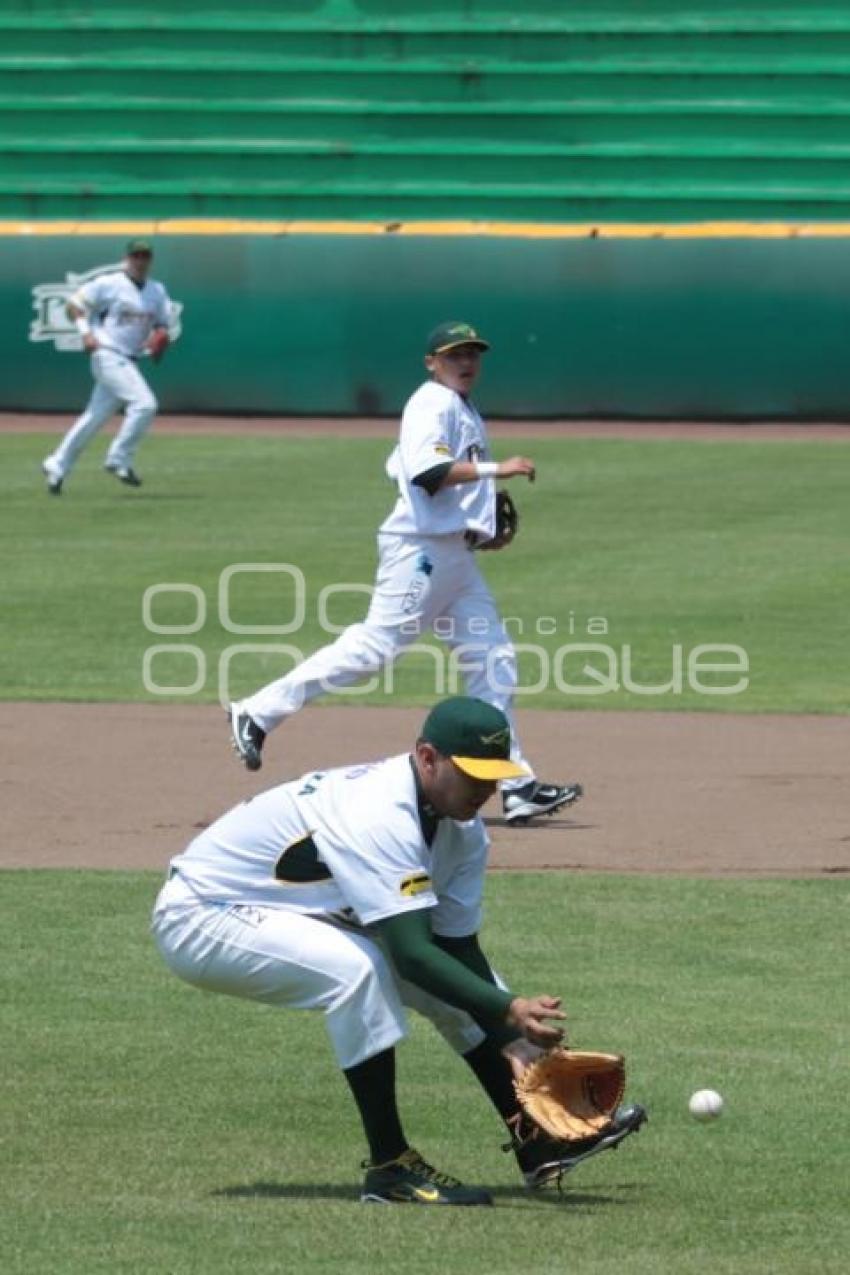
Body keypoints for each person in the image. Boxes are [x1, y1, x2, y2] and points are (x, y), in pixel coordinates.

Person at [153, 696, 645, 1205]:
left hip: (292, 910)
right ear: (427, 757)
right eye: (474, 774)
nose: (487, 790)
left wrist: (511, 1036)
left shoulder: (463, 831)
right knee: (358, 972)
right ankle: (390, 1169)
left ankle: (538, 1144)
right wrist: (508, 1008)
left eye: (496, 776)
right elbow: (412, 955)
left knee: (461, 989)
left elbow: (454, 948)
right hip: (205, 913)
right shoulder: (378, 812)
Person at [229, 320, 582, 826]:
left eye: (473, 354)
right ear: (431, 361)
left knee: (493, 658)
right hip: (419, 552)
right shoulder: (430, 402)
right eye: (455, 354)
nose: (466, 362)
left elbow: (424, 479)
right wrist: (495, 470)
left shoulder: (458, 407)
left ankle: (516, 783)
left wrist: (480, 528)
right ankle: (257, 712)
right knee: (374, 649)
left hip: (453, 559)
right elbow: (426, 472)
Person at [41, 238, 173, 494]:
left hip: (128, 359)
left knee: (93, 417)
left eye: (145, 256)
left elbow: (162, 322)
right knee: (145, 404)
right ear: (127, 258)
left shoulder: (157, 290)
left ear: (151, 260)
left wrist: (160, 335)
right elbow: (74, 306)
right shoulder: (110, 283)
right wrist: (85, 333)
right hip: (107, 354)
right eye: (136, 256)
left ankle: (56, 464)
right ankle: (118, 459)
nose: (141, 260)